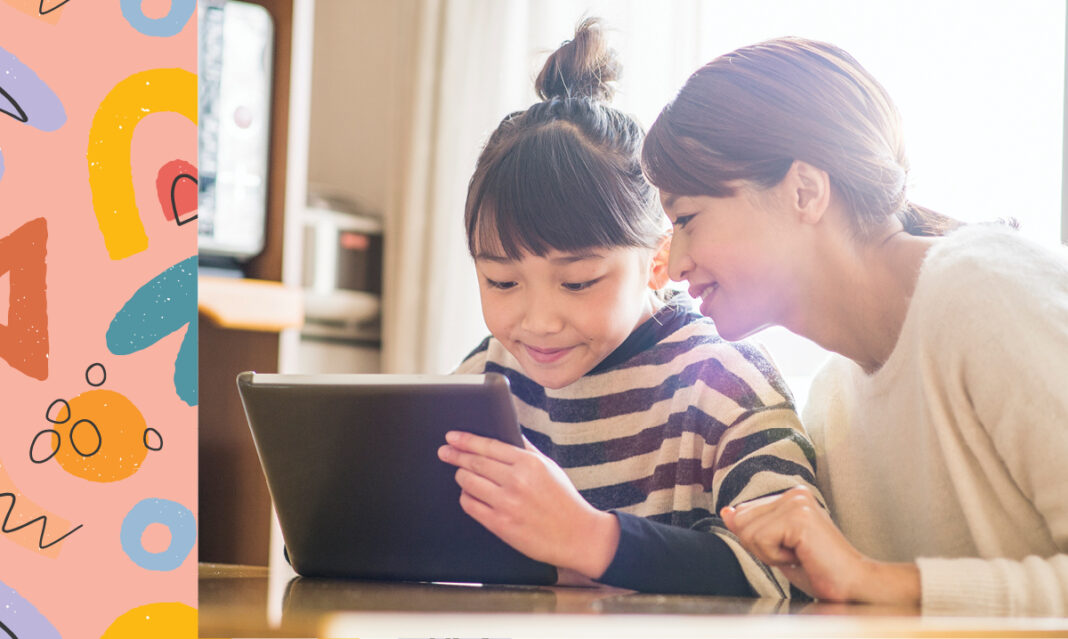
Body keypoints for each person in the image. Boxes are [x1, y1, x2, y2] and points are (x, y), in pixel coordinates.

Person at [641, 36, 1068, 615]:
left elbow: (872, 587)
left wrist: (876, 580)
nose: (675, 262)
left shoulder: (986, 291)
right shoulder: (830, 403)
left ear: (804, 191)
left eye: (687, 218)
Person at [435, 19, 822, 597]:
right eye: (501, 281)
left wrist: (592, 540)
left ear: (658, 261)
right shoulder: (486, 383)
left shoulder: (722, 386)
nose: (537, 321)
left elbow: (795, 572)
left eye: (578, 282)